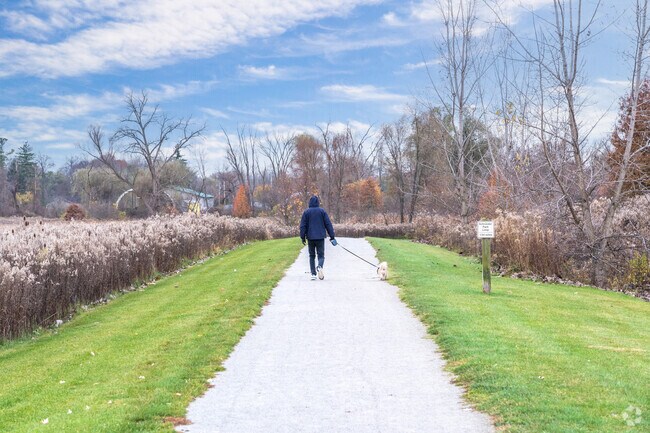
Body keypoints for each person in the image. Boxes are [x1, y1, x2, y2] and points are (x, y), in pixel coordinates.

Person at [299, 195, 336, 280]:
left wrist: (302, 237)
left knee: (312, 256)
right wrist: (332, 236)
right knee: (321, 255)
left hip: (310, 237)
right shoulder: (322, 211)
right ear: (318, 202)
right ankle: (319, 266)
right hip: (320, 237)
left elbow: (303, 226)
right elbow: (328, 224)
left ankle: (313, 274)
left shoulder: (306, 212)